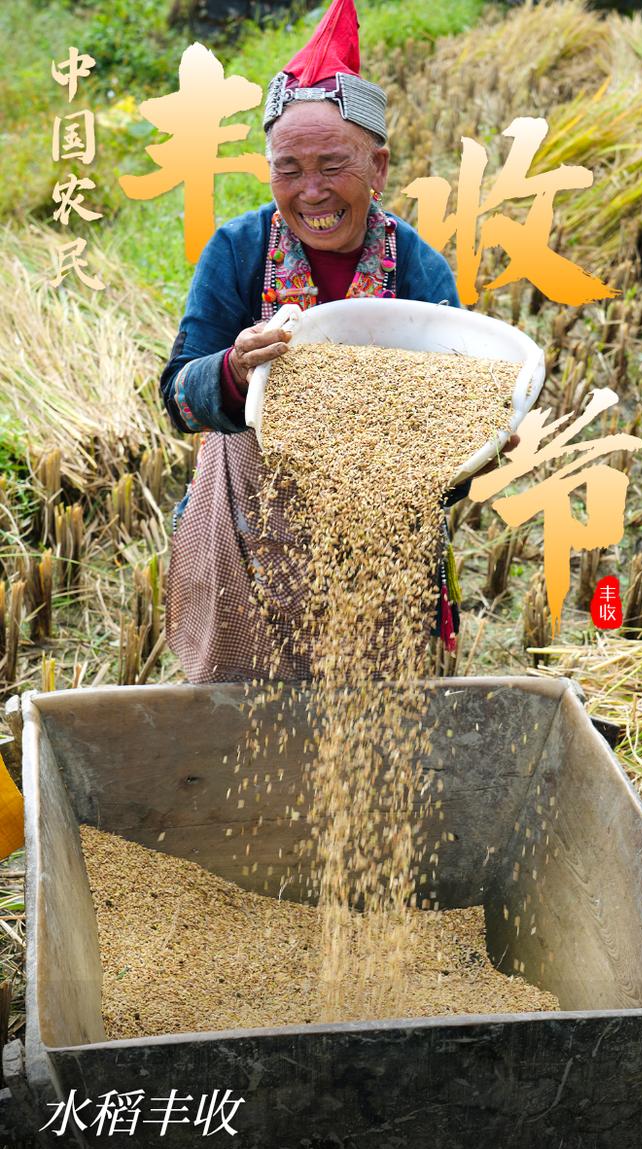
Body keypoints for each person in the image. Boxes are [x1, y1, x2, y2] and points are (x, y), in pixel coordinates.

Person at [160, 0, 466, 684]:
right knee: (242, 721)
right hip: (248, 534)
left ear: (379, 166)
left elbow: (459, 440)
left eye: (333, 165)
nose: (311, 191)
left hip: (375, 549)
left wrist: (471, 442)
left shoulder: (417, 271)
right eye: (288, 169)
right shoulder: (239, 252)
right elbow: (178, 398)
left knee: (372, 720)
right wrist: (234, 370)